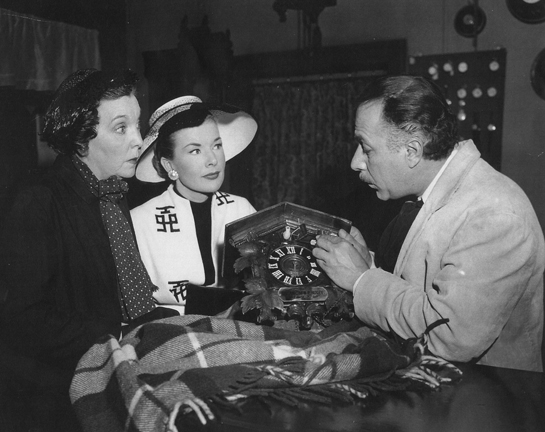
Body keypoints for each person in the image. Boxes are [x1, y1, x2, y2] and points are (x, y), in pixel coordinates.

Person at [313, 75, 545, 372]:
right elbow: (421, 289)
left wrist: (361, 280)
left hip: (485, 393)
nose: (355, 162)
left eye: (366, 148)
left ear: (412, 151)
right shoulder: (439, 192)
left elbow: (450, 335)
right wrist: (366, 264)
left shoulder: (494, 215)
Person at [0, 68, 178, 431]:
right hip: (59, 400)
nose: (139, 141)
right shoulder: (38, 201)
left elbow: (116, 296)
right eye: (121, 128)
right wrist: (115, 335)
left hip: (114, 374)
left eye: (137, 124)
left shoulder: (112, 195)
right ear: (81, 138)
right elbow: (24, 318)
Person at [130, 96, 258, 315]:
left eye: (216, 145)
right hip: (167, 325)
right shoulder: (140, 221)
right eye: (195, 150)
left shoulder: (241, 209)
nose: (212, 160)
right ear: (169, 165)